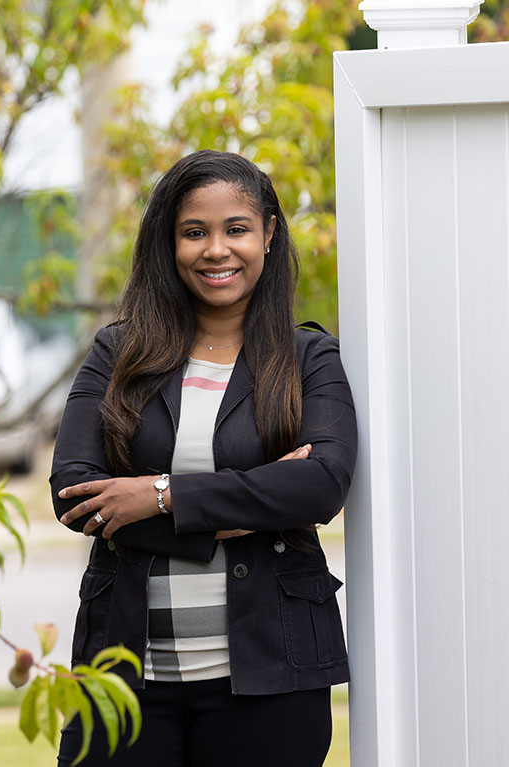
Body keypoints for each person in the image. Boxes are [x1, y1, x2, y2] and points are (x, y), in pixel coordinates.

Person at [49, 150, 358, 767]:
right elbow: (75, 493)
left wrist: (160, 496)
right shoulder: (117, 353)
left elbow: (320, 485)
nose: (217, 250)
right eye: (195, 233)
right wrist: (253, 502)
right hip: (124, 679)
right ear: (170, 244)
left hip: (270, 676)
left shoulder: (309, 359)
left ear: (268, 234)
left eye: (236, 229)